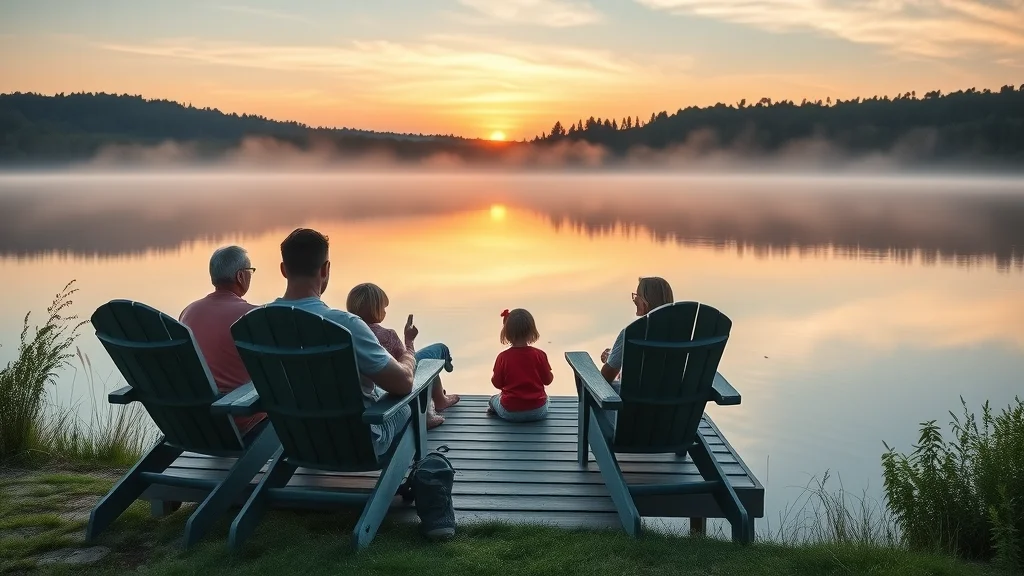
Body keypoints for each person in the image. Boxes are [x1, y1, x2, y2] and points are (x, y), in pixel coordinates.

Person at [267, 228, 416, 457]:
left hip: (296, 438)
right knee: (410, 404)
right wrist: (408, 355)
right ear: (325, 269)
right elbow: (403, 383)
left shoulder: (259, 323)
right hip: (357, 440)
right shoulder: (346, 325)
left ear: (283, 269)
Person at [346, 282, 460, 429]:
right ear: (376, 309)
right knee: (432, 356)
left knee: (431, 355)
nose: (385, 312)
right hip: (393, 387)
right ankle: (435, 405)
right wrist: (409, 340)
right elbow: (407, 364)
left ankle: (438, 396)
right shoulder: (387, 335)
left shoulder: (347, 334)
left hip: (370, 391)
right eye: (383, 307)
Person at [179, 245, 264, 433]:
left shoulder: (189, 312)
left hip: (201, 417)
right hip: (242, 416)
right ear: (241, 276)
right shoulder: (253, 315)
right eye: (250, 271)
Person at [599, 276, 675, 385]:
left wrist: (611, 360)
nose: (634, 299)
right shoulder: (686, 333)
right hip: (678, 398)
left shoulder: (631, 332)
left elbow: (606, 376)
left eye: (637, 295)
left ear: (645, 302)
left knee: (581, 365)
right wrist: (615, 356)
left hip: (634, 400)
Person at [488, 308, 553, 422]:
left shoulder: (503, 357)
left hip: (510, 412)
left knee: (493, 399)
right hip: (538, 411)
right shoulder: (540, 355)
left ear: (507, 333)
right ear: (531, 331)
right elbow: (548, 380)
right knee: (547, 399)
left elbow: (497, 384)